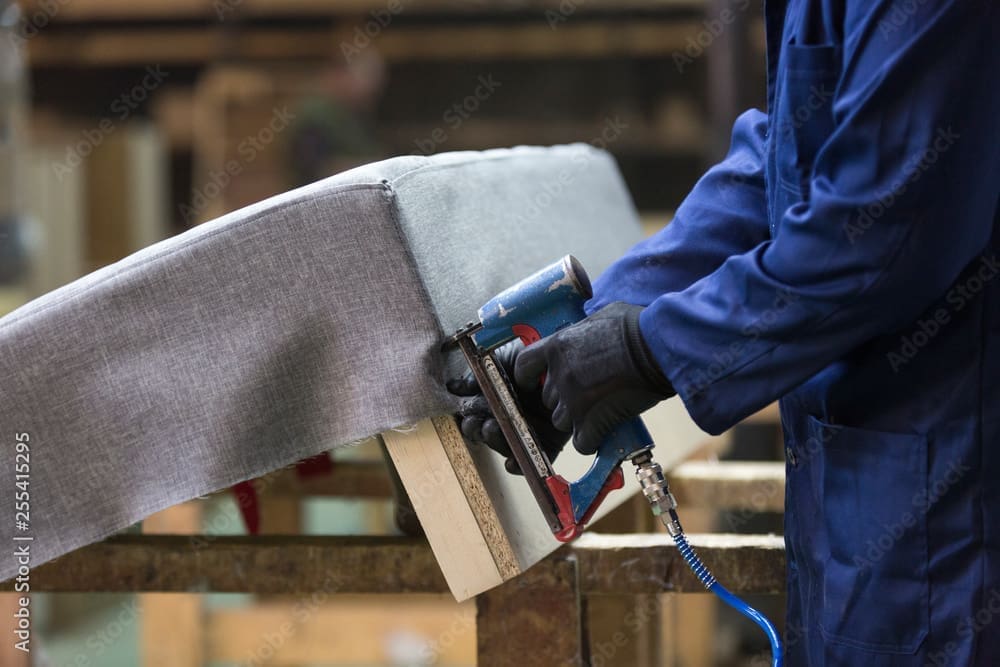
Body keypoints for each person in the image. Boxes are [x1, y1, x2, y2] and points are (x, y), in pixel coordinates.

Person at [451, 1, 1000, 663]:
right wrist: (594, 327)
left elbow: (882, 227)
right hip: (878, 483)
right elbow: (784, 164)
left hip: (955, 485)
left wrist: (649, 350)